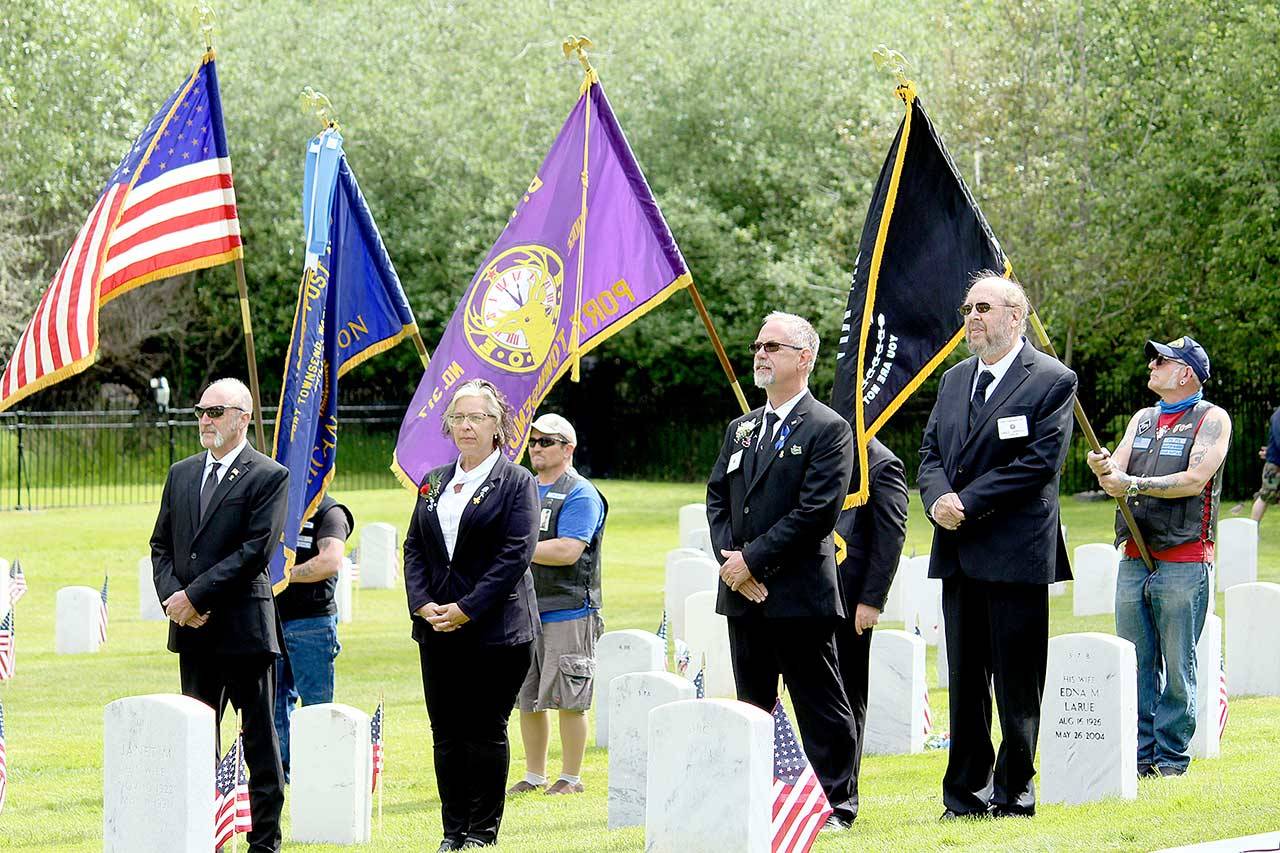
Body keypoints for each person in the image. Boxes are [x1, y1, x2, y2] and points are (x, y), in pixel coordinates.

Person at [918, 273, 1076, 820]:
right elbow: (931, 453)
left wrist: (966, 501)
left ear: (1016, 316)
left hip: (1015, 553)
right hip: (959, 552)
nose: (972, 317)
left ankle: (1013, 793)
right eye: (966, 309)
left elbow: (1037, 465)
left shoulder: (1052, 380)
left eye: (983, 307)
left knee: (1016, 685)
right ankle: (964, 796)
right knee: (964, 683)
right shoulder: (955, 379)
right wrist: (939, 498)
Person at [706, 311, 860, 832]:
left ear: (805, 358)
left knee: (820, 705)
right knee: (753, 704)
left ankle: (836, 804)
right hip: (742, 594)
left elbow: (817, 511)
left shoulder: (828, 428)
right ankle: (760, 799)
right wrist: (732, 563)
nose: (760, 353)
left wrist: (753, 560)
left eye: (773, 345)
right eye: (757, 345)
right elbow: (717, 501)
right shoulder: (741, 428)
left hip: (796, 592)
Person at [150, 378, 290, 853]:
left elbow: (255, 552)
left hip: (243, 630)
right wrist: (175, 599)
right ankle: (200, 832)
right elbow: (161, 545)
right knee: (196, 738)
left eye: (215, 412)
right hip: (193, 633)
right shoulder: (182, 473)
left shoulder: (268, 475)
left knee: (259, 741)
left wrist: (196, 597)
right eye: (200, 412)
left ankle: (264, 841)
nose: (205, 420)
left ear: (242, 418)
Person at [403, 379, 540, 852]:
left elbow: (515, 555)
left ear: (497, 425)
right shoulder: (434, 480)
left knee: (483, 731)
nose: (465, 425)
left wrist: (466, 609)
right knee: (446, 732)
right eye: (458, 416)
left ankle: (481, 832)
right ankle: (451, 830)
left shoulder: (517, 482)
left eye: (477, 416)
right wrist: (423, 605)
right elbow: (415, 547)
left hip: (496, 629)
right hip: (436, 627)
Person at [1086, 336, 1230, 778]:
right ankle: (1140, 755)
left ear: (1185, 372)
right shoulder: (1143, 419)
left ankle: (1170, 758)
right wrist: (1105, 469)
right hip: (1134, 553)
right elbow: (1120, 468)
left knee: (1178, 660)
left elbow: (1194, 479)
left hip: (1184, 557)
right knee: (1135, 660)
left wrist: (1130, 484)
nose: (1152, 365)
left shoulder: (1212, 419)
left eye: (1161, 360)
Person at [509, 413, 607, 797]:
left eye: (546, 441)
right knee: (528, 697)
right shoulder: (524, 488)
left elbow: (568, 549)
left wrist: (514, 550)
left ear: (568, 448)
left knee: (570, 697)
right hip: (525, 607)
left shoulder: (580, 492)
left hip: (570, 608)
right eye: (533, 441)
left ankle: (571, 776)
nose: (536, 447)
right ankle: (535, 775)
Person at [833, 437, 908, 820]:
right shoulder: (828, 451)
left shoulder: (882, 464)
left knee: (847, 696)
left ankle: (844, 790)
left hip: (852, 601)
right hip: (813, 596)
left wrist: (872, 600)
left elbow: (890, 535)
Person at [273, 494, 354, 781]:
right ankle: (282, 772)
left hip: (311, 622)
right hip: (270, 620)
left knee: (317, 706)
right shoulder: (274, 503)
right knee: (274, 704)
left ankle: (319, 771)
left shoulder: (330, 512)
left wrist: (281, 576)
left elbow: (330, 560)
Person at [1250, 405, 1280, 523]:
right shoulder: (1278, 415)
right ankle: (1252, 531)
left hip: (1274, 462)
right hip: (1275, 465)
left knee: (1265, 497)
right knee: (1265, 496)